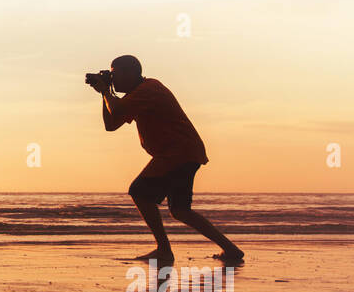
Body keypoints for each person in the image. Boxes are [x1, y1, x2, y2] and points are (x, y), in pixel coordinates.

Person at [88, 55, 244, 265]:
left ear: (130, 73)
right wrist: (104, 94)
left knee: (139, 191)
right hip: (183, 152)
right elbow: (111, 124)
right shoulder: (138, 94)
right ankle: (231, 250)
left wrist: (106, 91)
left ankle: (164, 250)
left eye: (114, 74)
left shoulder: (149, 90)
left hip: (177, 153)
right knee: (180, 210)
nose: (113, 79)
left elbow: (116, 111)